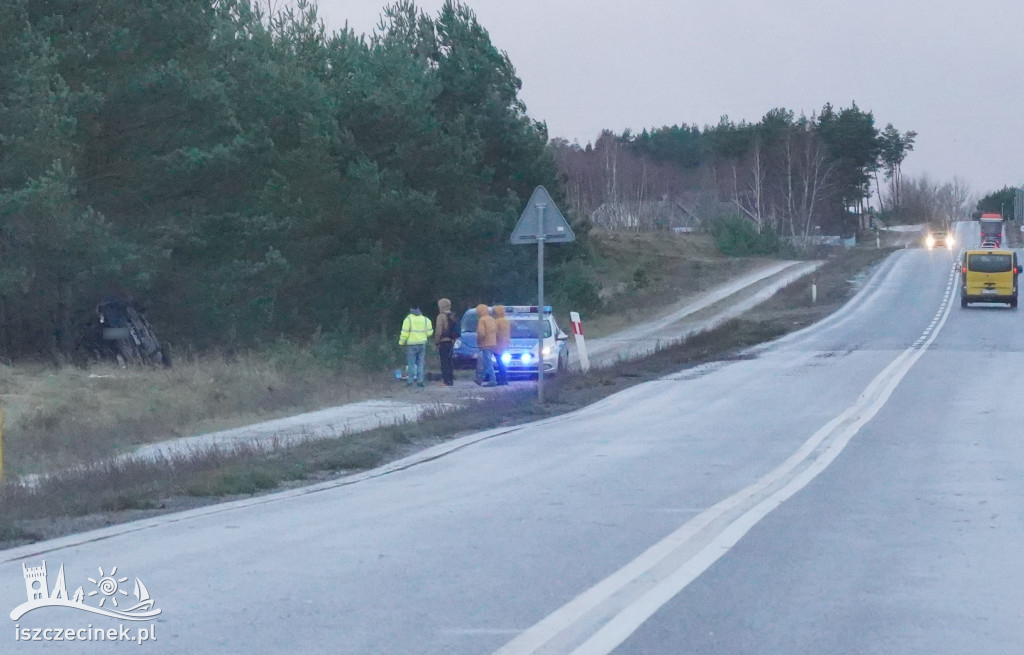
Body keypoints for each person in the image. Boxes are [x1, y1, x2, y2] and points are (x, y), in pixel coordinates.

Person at [398, 306, 433, 388]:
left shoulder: (408, 320)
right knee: (420, 363)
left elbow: (404, 333)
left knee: (411, 363)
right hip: (422, 343)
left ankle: (410, 381)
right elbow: (430, 332)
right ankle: (420, 381)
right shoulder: (425, 320)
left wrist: (401, 343)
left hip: (411, 344)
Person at [474, 303, 497, 387]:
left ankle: (492, 379)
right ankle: (479, 379)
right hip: (493, 343)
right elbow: (496, 331)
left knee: (488, 362)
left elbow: (481, 333)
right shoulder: (492, 319)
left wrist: (479, 342)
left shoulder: (482, 320)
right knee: (486, 362)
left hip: (485, 343)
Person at [435, 298, 456, 386]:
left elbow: (439, 331)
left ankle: (446, 381)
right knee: (450, 361)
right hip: (451, 341)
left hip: (443, 341)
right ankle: (451, 379)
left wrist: (436, 342)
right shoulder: (453, 315)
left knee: (444, 362)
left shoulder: (441, 316)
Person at [493, 304, 510, 385]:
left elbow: (495, 332)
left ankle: (502, 379)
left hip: (498, 344)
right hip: (505, 343)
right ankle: (504, 379)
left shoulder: (497, 321)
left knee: (500, 362)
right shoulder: (506, 321)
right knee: (502, 362)